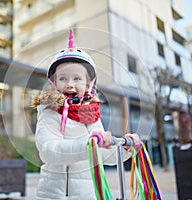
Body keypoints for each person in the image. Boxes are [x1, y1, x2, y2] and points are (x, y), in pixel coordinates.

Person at [33, 29, 140, 199]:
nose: (70, 85)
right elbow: (49, 151)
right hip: (57, 195)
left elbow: (102, 155)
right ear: (54, 84)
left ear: (88, 84)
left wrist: (124, 148)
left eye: (77, 79)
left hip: (89, 194)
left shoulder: (91, 115)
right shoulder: (50, 112)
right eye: (63, 79)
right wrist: (88, 145)